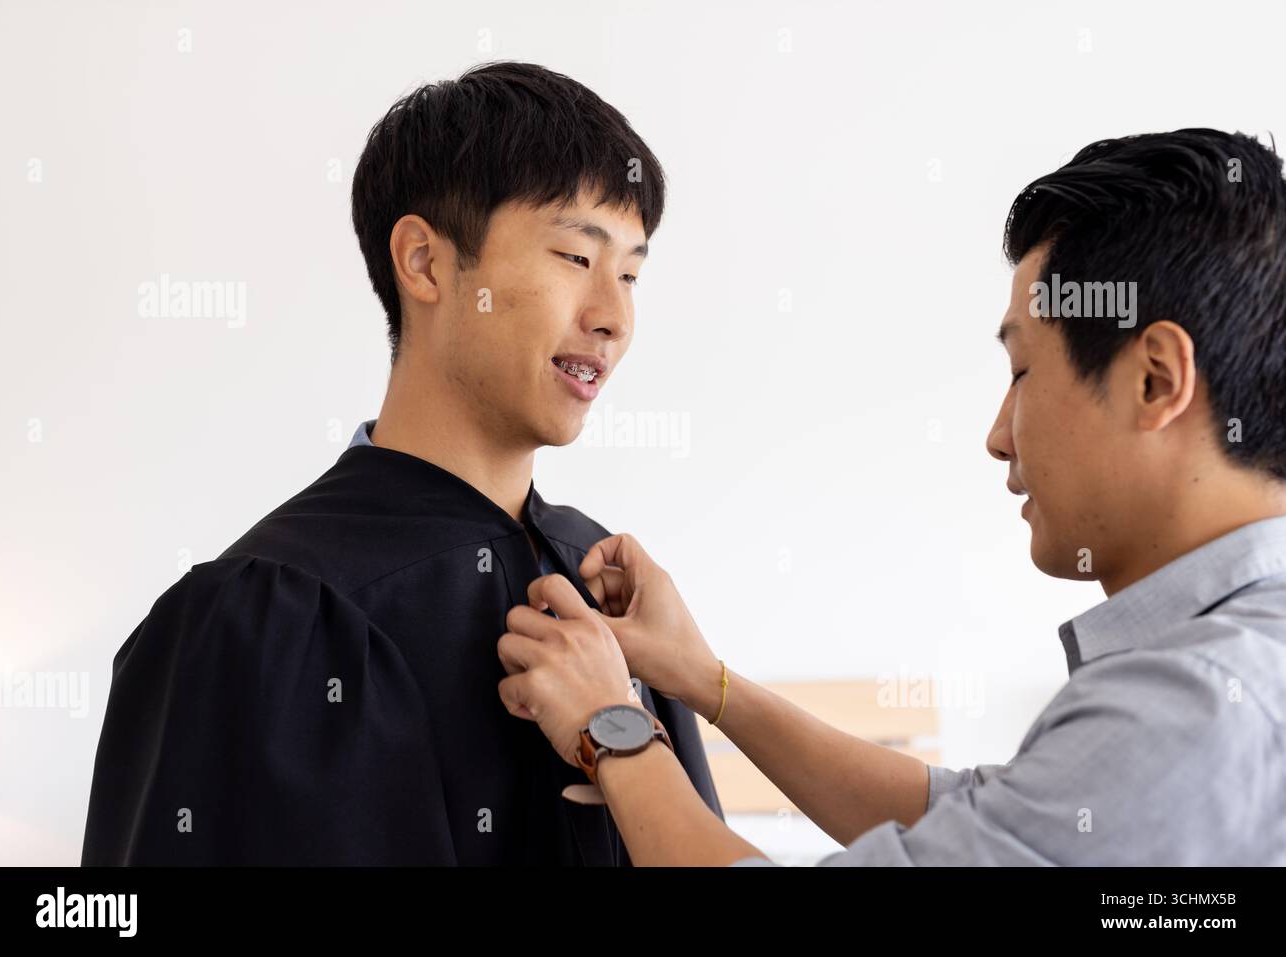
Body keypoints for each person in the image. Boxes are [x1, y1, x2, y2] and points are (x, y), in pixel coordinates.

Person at [498, 128, 1286, 865]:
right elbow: (975, 816)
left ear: (1155, 380)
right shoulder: (1239, 669)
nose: (999, 435)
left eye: (1021, 373)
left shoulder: (1196, 710)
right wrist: (706, 679)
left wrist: (618, 731)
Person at [80, 61, 721, 866]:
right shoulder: (261, 620)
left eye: (630, 274)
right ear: (423, 262)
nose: (613, 318)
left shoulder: (613, 601)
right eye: (573, 258)